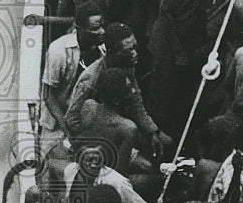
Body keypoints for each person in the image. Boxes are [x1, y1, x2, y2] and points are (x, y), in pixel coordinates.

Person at [148, 0, 218, 137]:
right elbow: (166, 13)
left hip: (191, 37)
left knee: (184, 91)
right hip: (169, 44)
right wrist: (178, 53)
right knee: (164, 97)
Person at [66, 22, 171, 161]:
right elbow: (72, 119)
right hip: (98, 137)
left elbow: (136, 103)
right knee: (144, 165)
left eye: (135, 47)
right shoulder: (90, 79)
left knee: (167, 143)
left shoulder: (127, 66)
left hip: (119, 125)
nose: (135, 53)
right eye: (129, 50)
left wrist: (152, 132)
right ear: (113, 52)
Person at [38, 4, 105, 154]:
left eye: (101, 26)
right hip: (57, 123)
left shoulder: (103, 52)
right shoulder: (58, 51)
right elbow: (48, 95)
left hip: (86, 118)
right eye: (94, 29)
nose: (101, 32)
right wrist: (66, 127)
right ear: (79, 28)